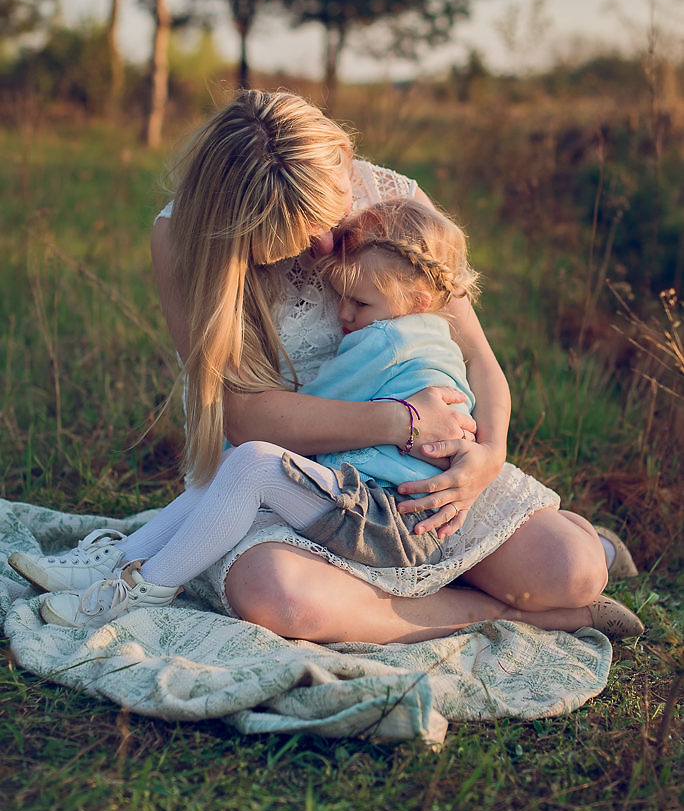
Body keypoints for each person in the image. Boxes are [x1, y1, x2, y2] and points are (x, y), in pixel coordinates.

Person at [9, 90, 640, 643]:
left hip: (409, 473)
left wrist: (490, 456)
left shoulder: (398, 210)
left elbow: (476, 355)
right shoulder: (184, 239)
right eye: (290, 232)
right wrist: (396, 422)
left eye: (326, 217)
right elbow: (245, 414)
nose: (319, 247)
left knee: (574, 572)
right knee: (280, 597)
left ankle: (556, 560)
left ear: (342, 156)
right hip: (286, 478)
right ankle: (509, 615)